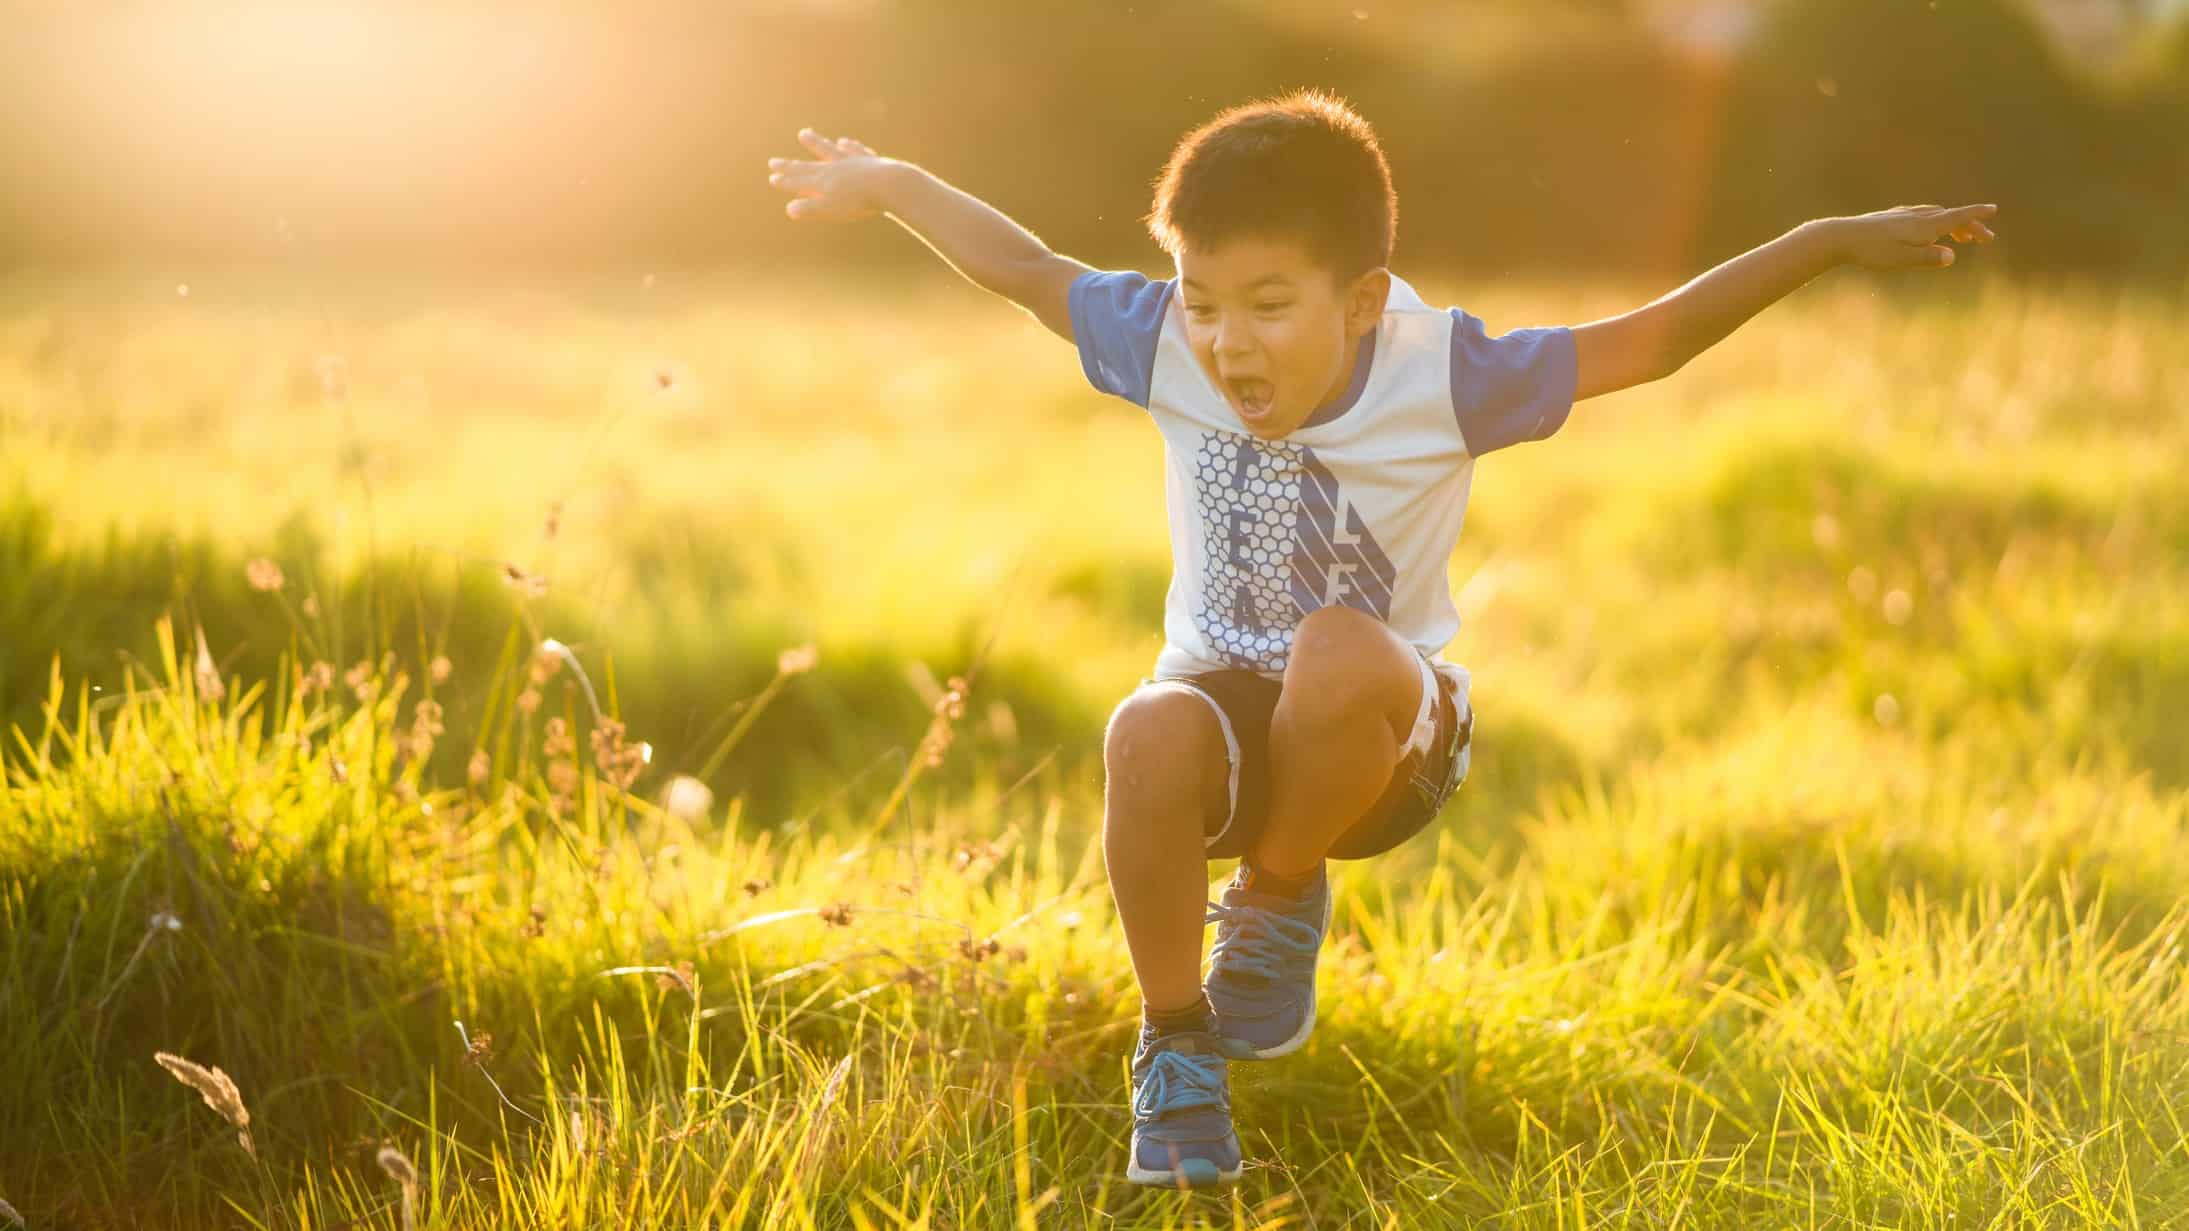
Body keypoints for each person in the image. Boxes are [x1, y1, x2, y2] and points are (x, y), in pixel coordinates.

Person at [765, 87, 1996, 1189]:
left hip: (1386, 746)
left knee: (1339, 646)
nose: (1225, 341)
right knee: (1143, 724)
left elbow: (1652, 339)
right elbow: (1024, 268)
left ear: (1357, 301)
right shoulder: (1162, 346)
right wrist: (889, 186)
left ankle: (1280, 893)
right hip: (1225, 737)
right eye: (1199, 301)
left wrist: (1824, 241)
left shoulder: (1441, 373)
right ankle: (1177, 1045)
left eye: (1265, 305)